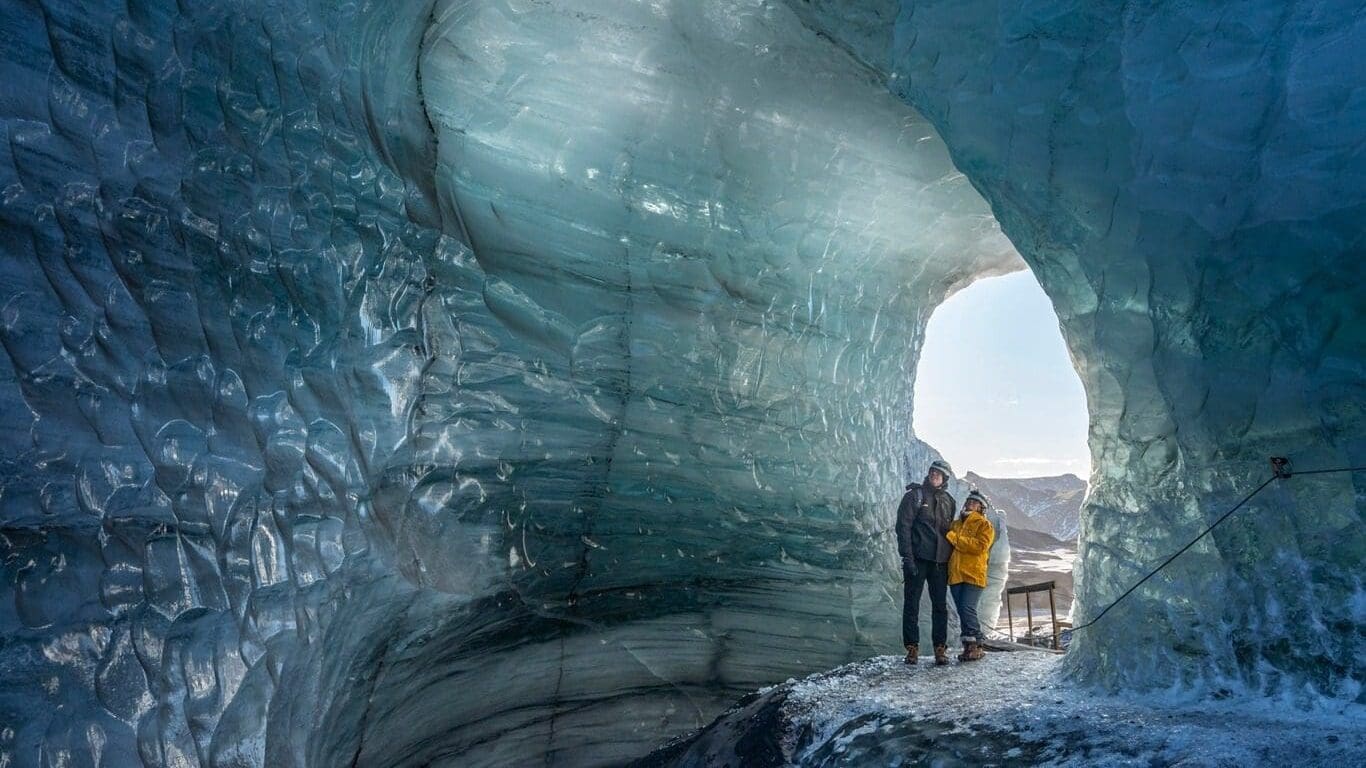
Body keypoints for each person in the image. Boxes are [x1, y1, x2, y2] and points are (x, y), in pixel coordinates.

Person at [895, 459, 957, 665]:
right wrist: (908, 558)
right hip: (918, 559)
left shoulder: (949, 501)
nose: (934, 475)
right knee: (911, 604)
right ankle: (912, 649)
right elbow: (903, 527)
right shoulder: (915, 496)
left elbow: (949, 531)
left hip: (940, 562)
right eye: (932, 472)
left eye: (938, 473)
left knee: (940, 606)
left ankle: (940, 649)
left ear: (945, 478)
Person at [948, 489, 996, 662]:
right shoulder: (956, 524)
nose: (970, 503)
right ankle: (968, 648)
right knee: (962, 610)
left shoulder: (985, 525)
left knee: (968, 608)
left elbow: (980, 546)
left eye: (975, 502)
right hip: (956, 574)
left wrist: (955, 539)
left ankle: (977, 644)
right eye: (969, 500)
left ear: (981, 508)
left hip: (974, 574)